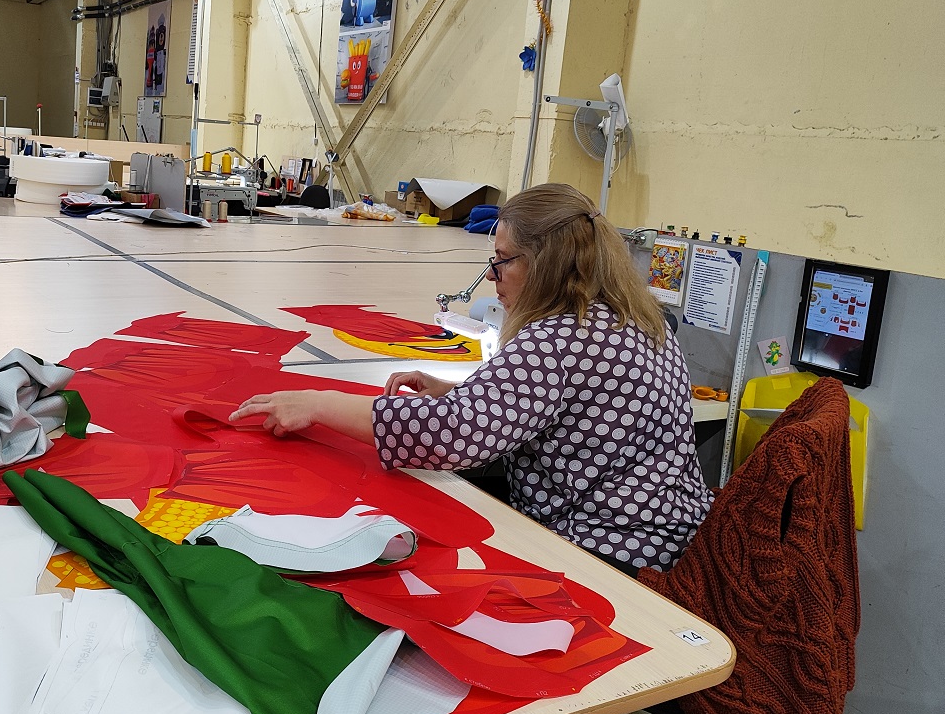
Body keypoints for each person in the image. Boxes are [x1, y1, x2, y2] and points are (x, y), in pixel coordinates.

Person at [230, 183, 713, 572]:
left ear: (544, 264)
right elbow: (569, 410)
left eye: (502, 261)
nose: (491, 275)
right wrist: (461, 391)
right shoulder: (638, 320)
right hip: (670, 532)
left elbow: (451, 435)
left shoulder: (558, 338)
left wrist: (317, 403)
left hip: (611, 552)